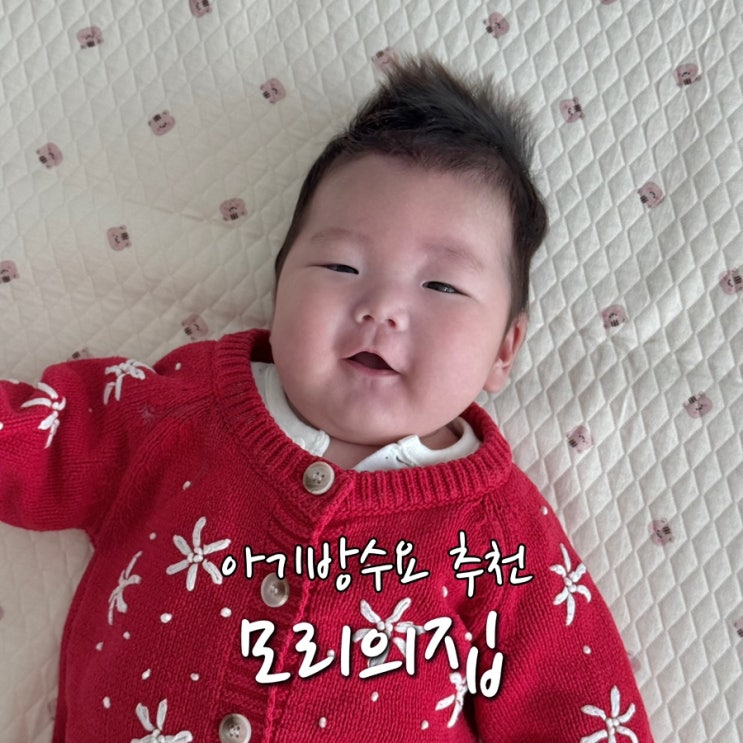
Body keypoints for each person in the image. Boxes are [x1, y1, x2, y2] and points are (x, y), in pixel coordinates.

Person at [0, 56, 653, 742]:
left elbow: (574, 705)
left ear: (504, 349)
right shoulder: (182, 411)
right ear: (279, 291)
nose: (381, 308)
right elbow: (37, 438)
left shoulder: (498, 532)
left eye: (441, 286)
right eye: (342, 266)